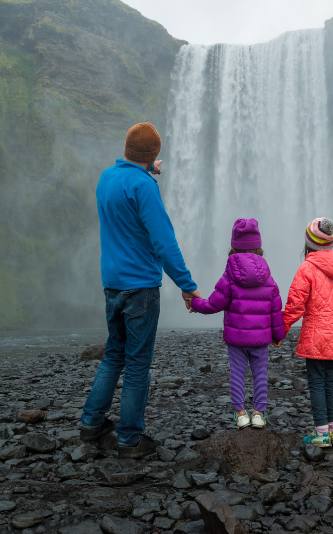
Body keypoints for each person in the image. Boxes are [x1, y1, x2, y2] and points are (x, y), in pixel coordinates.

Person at [79, 122, 201, 459]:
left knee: (113, 354)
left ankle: (90, 423)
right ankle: (130, 439)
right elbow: (163, 242)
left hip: (112, 283)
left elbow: (129, 187)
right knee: (137, 364)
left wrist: (147, 169)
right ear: (152, 156)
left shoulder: (108, 178)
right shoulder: (144, 186)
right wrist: (187, 286)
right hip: (140, 288)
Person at [189, 218, 285, 429]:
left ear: (233, 247)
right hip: (260, 340)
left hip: (236, 339)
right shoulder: (269, 278)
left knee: (237, 374)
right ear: (259, 248)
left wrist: (195, 303)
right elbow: (275, 308)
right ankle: (259, 414)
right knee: (260, 374)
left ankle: (240, 414)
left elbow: (215, 303)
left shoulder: (229, 276)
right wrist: (278, 335)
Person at [280, 217, 333, 447]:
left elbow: (295, 304)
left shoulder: (307, 268)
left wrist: (280, 330)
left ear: (309, 242)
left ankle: (321, 433)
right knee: (331, 383)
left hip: (315, 338)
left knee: (316, 383)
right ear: (331, 242)